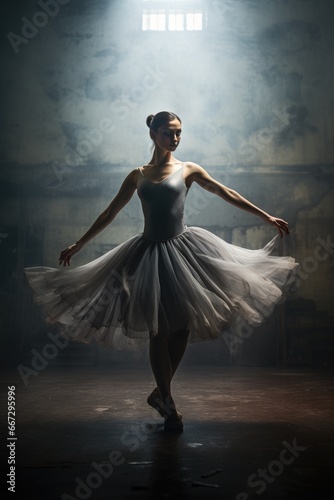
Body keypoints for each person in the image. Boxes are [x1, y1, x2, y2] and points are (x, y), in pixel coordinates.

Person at [25, 111, 298, 431]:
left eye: (179, 133)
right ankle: (168, 401)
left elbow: (226, 192)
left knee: (181, 327)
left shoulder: (188, 169)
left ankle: (161, 392)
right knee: (158, 329)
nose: (176, 138)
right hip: (149, 253)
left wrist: (266, 217)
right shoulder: (137, 175)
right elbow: (109, 212)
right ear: (153, 134)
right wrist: (79, 243)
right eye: (169, 133)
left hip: (184, 250)